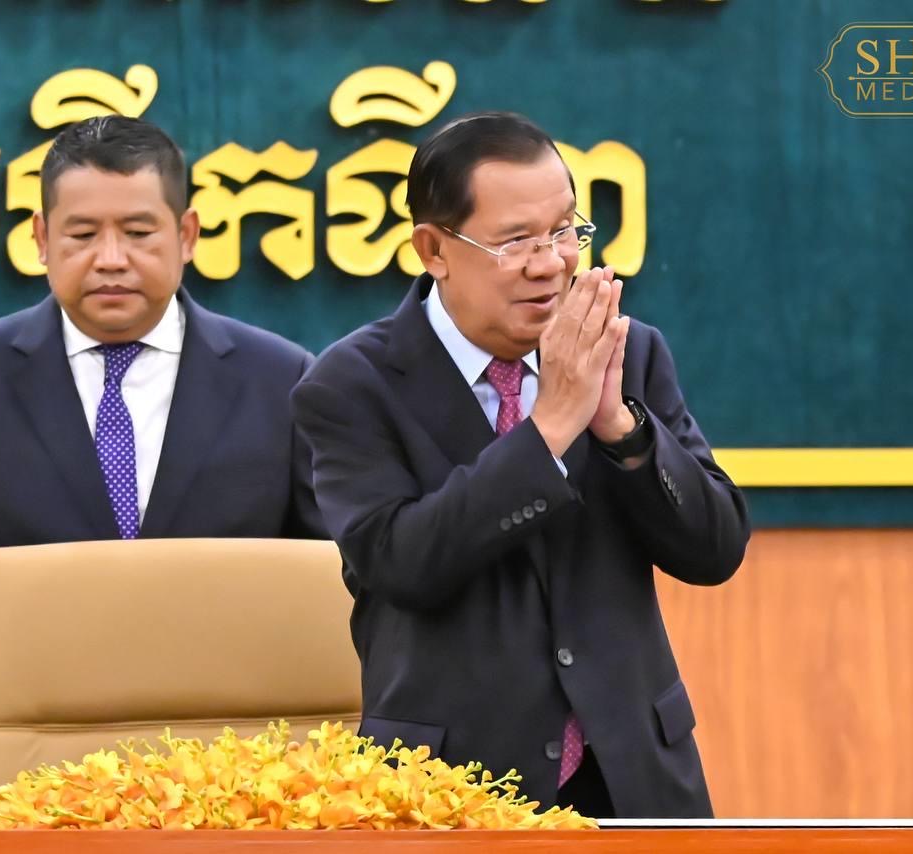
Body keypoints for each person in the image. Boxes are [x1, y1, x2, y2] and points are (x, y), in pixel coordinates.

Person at [290, 112, 749, 817]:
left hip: (633, 778)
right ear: (433, 249)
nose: (551, 263)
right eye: (515, 242)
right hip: (449, 789)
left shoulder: (626, 353)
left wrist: (621, 429)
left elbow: (715, 548)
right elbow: (402, 563)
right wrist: (550, 428)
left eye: (564, 231)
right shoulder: (352, 384)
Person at [0, 115, 325, 788]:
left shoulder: (279, 379)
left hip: (231, 784)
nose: (110, 259)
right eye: (81, 235)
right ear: (42, 240)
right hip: (28, 781)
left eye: (138, 232)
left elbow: (336, 582)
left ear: (187, 235)